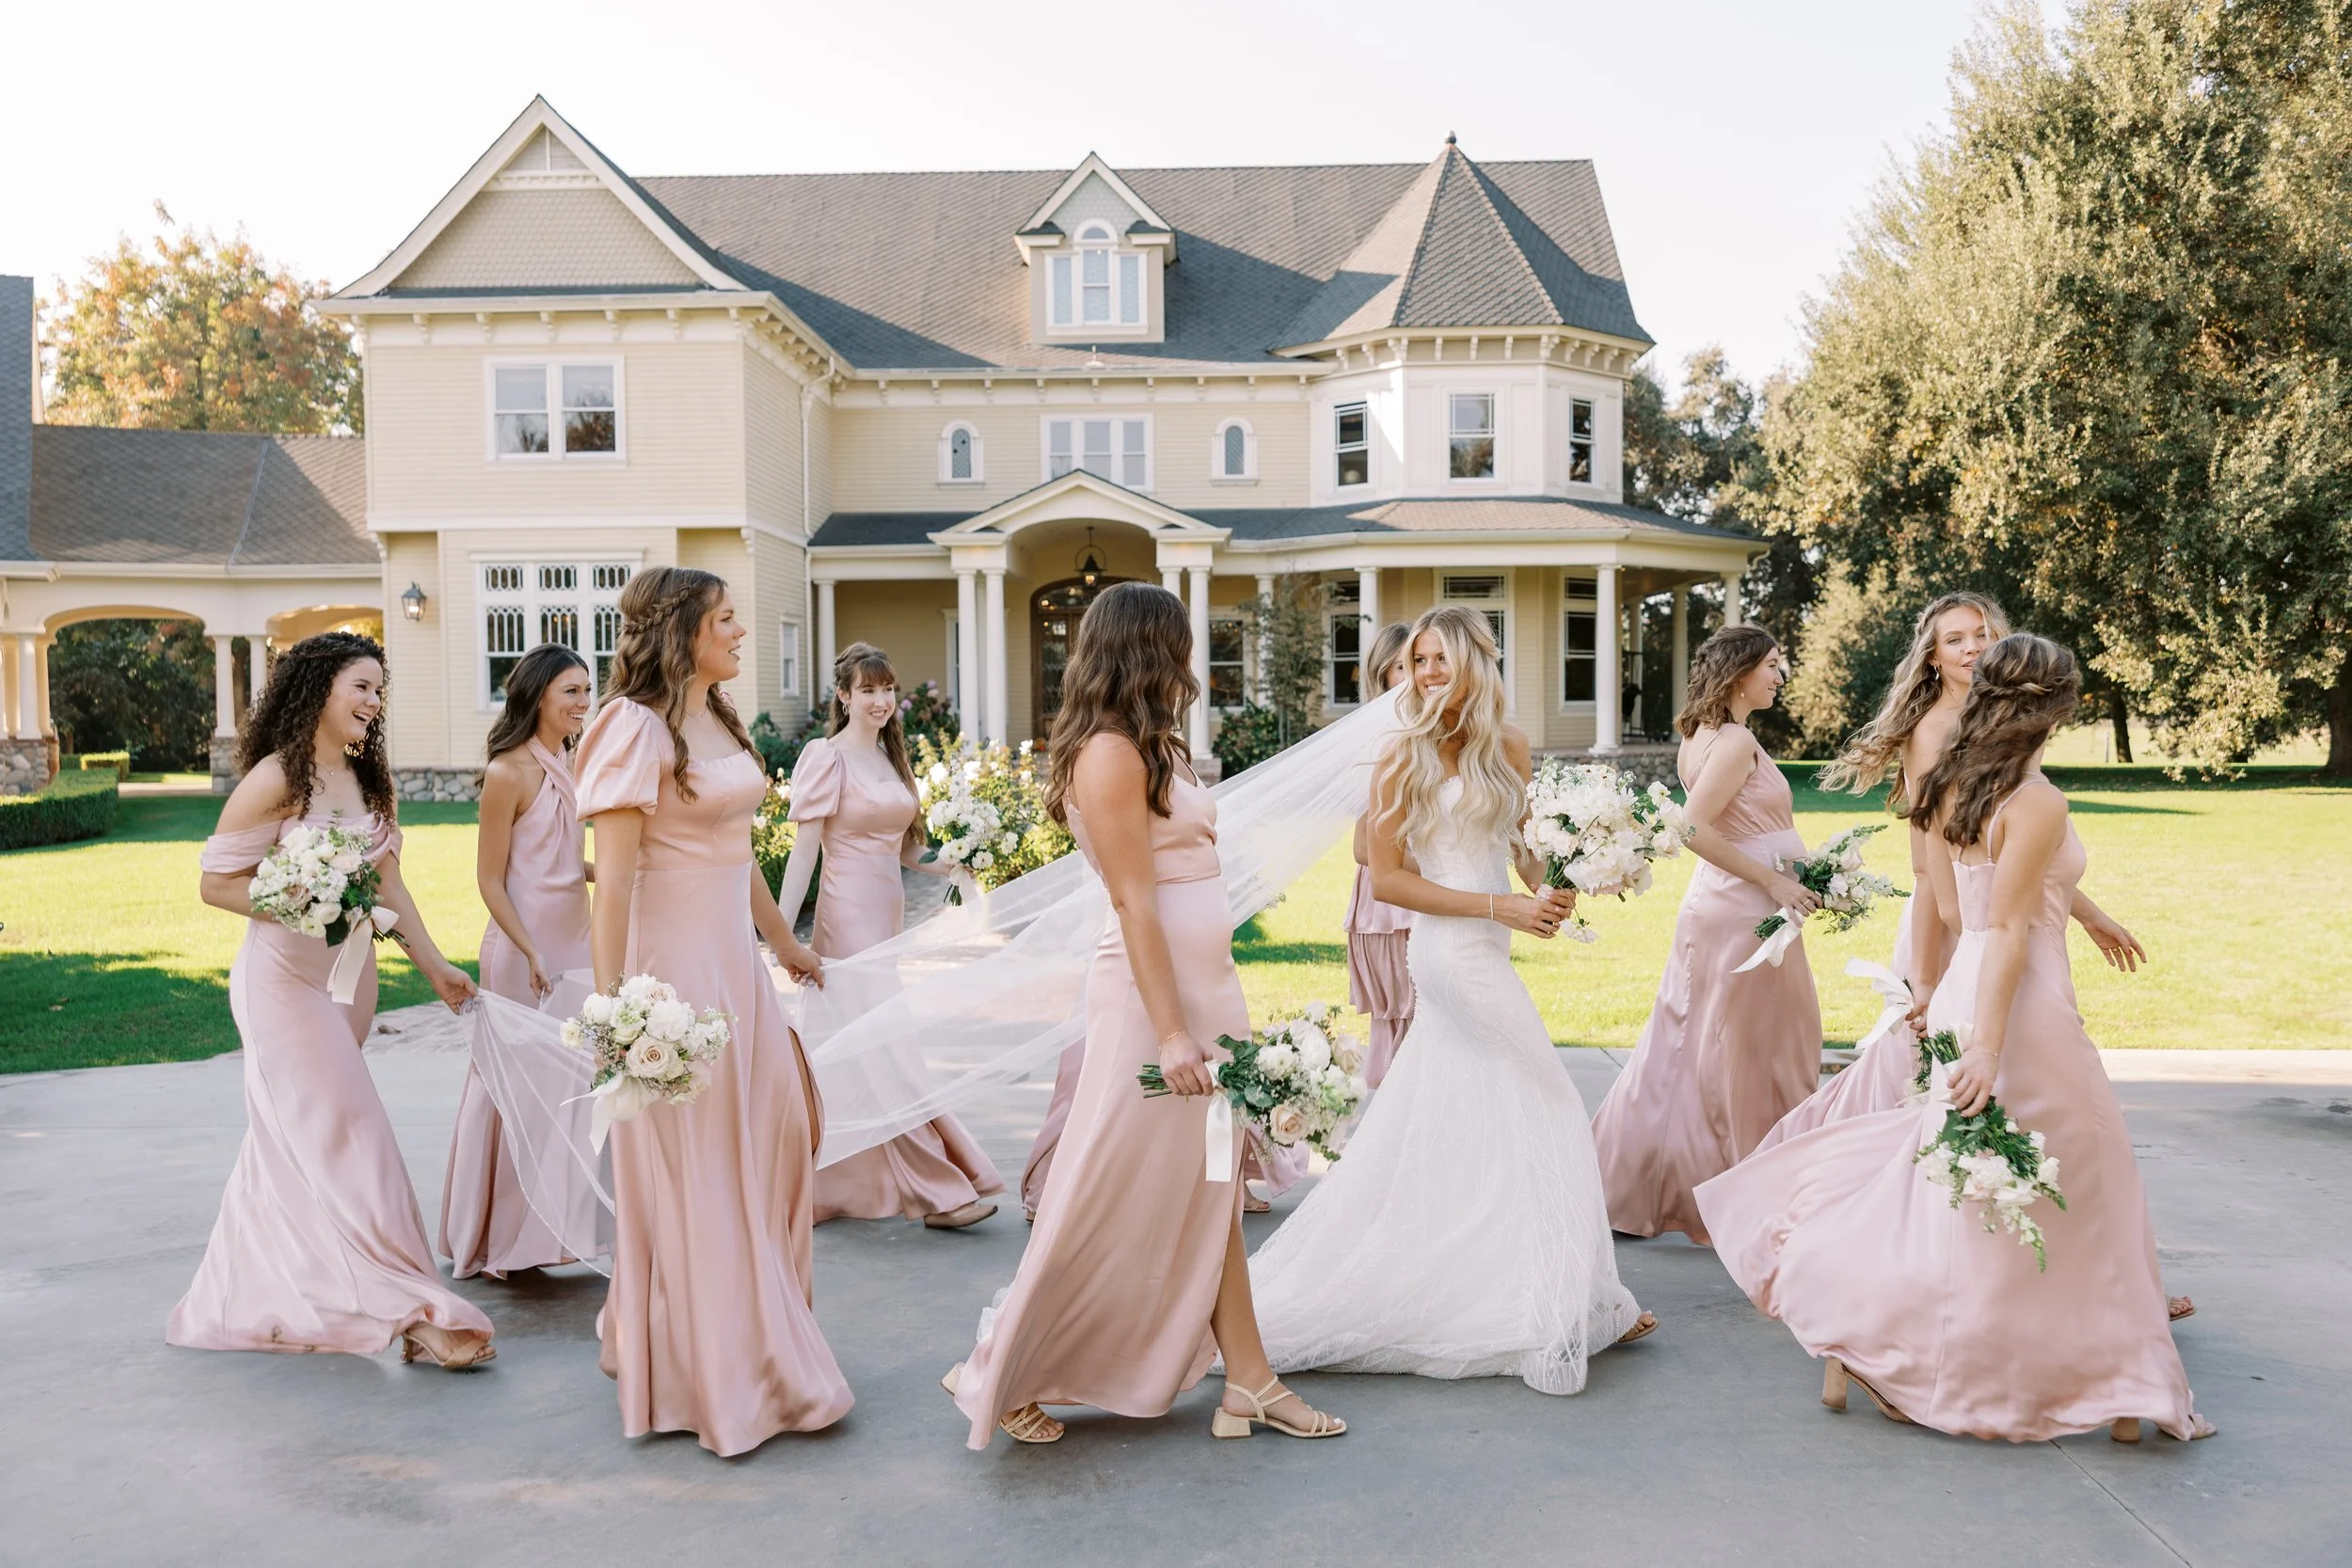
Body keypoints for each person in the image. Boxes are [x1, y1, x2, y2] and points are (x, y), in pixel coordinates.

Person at [1694, 634, 2211, 1443]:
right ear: (2055, 704)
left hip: (1971, 988)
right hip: (2021, 1003)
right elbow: (2007, 927)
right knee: (2088, 1170)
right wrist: (1990, 1047)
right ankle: (2111, 1376)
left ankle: (2073, 1367)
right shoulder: (2036, 801)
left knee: (1967, 1181)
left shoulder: (1949, 783)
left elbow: (1945, 903)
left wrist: (1938, 995)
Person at [946, 582, 1347, 1448]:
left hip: (1209, 993)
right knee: (1103, 1186)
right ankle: (998, 1366)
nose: (1192, 657)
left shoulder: (1155, 744)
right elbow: (1134, 904)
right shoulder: (1109, 756)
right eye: (1180, 640)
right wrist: (1170, 1031)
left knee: (1212, 1188)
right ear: (1148, 648)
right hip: (1149, 1004)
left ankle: (1250, 1377)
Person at [1243, 607, 1652, 1394]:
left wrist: (1584, 866)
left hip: (1492, 942)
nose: (1426, 673)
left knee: (1464, 1111)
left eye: (1440, 659)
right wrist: (1500, 908)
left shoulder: (1511, 746)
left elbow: (1527, 856)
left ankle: (1506, 1280)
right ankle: (1578, 1292)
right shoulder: (1401, 755)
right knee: (1553, 1104)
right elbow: (1388, 877)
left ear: (1475, 662)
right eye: (1420, 660)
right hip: (1451, 953)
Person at [576, 565, 851, 1455]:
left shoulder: (721, 718)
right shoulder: (632, 727)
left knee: (770, 1144)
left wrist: (786, 943)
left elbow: (739, 858)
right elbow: (612, 885)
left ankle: (733, 1332)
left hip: (737, 967)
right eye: (727, 619)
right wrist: (617, 1013)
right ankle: (715, 1364)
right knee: (699, 1162)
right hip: (674, 977)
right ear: (684, 629)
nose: (740, 632)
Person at [171, 632, 492, 1370]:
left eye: (380, 691)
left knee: (293, 1147)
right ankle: (417, 1309)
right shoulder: (276, 778)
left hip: (347, 986)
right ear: (318, 689)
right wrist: (298, 896)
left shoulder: (363, 777)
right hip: (282, 988)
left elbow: (389, 887)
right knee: (357, 1134)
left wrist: (437, 965)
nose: (374, 704)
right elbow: (215, 882)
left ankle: (251, 1296)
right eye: (362, 687)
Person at [1756, 596, 2159, 1164]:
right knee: (1929, 1076)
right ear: (1932, 657)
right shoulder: (1936, 731)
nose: (1972, 647)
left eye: (1982, 635)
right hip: (1953, 922)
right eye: (1955, 639)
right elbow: (1931, 865)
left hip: (1997, 918)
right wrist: (1929, 975)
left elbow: (2016, 857)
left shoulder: (2006, 727)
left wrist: (2087, 914)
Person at [1590, 625, 1822, 1243]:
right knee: (1759, 1052)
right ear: (1740, 670)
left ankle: (1650, 1183)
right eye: (1772, 665)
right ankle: (1754, 1190)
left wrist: (1808, 872)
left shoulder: (1700, 735)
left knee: (1691, 1049)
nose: (1780, 675)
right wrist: (1776, 884)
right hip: (1743, 913)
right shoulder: (1737, 740)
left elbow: (1739, 826)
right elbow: (1692, 830)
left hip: (1729, 907)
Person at [776, 643, 1004, 1229]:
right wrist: (781, 933)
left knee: (865, 1048)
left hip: (887, 916)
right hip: (846, 920)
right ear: (844, 696)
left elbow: (904, 848)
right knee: (888, 1046)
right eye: (868, 690)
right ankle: (941, 1189)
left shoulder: (890, 759)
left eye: (887, 690)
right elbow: (804, 852)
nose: (880, 701)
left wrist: (953, 861)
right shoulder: (827, 758)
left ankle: (827, 1180)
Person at [441, 643, 595, 1278]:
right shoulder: (507, 772)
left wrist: (605, 872)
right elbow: (491, 879)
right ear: (537, 697)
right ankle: (495, 1237)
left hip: (574, 941)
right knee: (511, 1087)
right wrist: (529, 948)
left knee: (570, 1085)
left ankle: (549, 1234)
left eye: (588, 690)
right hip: (520, 948)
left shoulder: (571, 759)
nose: (584, 703)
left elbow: (560, 857)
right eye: (571, 692)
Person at [1344, 622, 1417, 1089]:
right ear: (1382, 675)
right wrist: (1446, 867)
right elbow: (1360, 845)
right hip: (1391, 906)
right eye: (1402, 667)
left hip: (1425, 896)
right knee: (1404, 1018)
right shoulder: (1378, 739)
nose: (1415, 676)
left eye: (1425, 663)